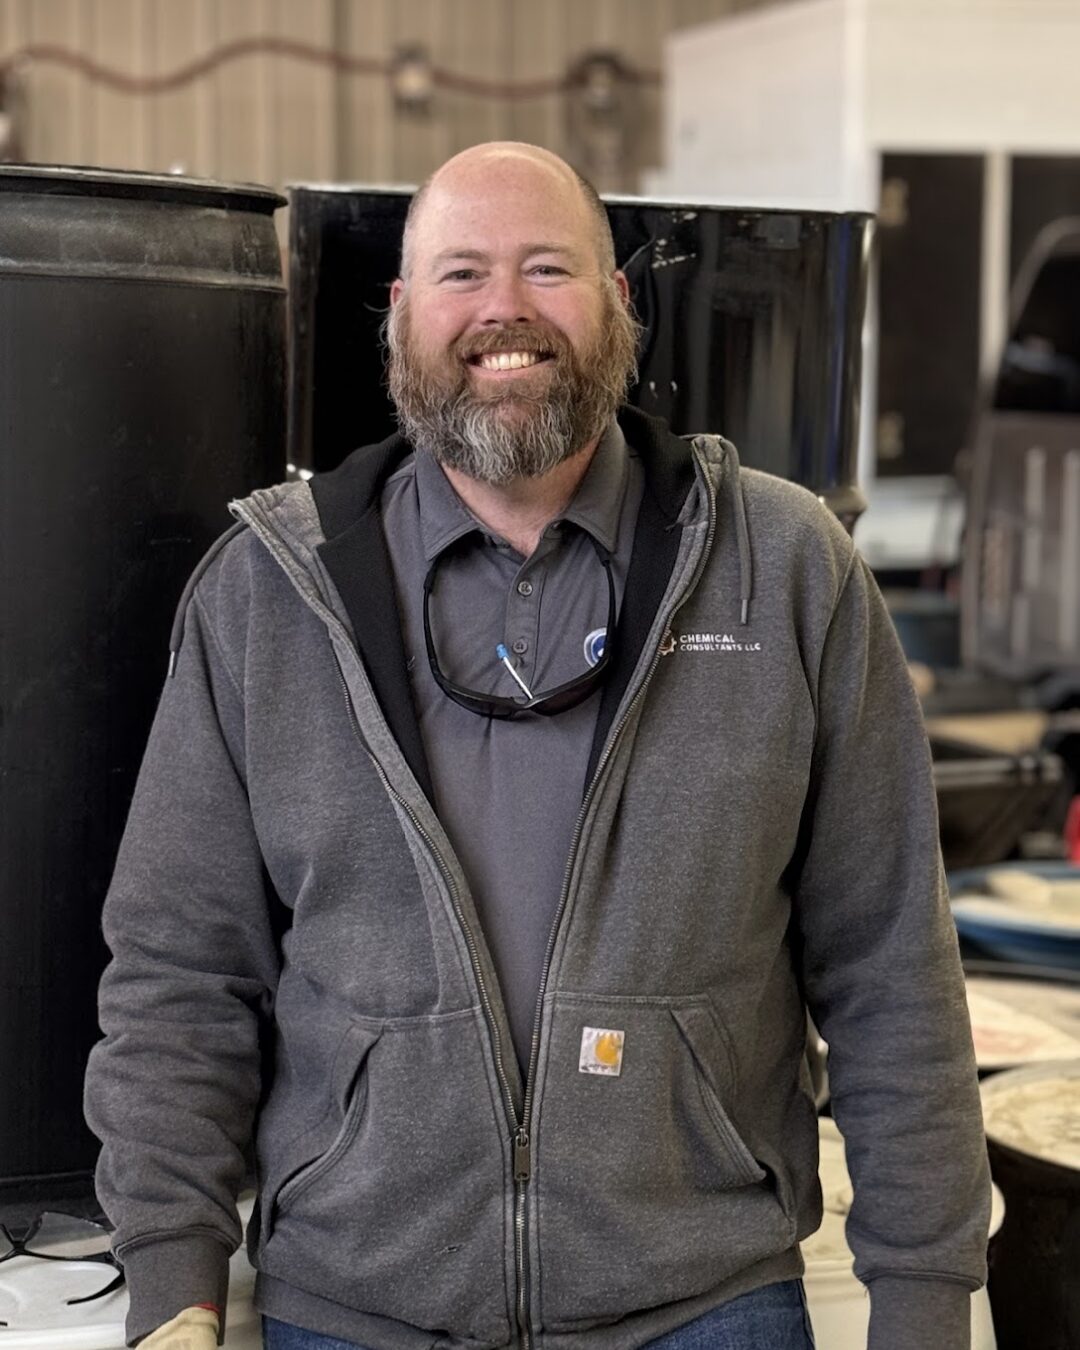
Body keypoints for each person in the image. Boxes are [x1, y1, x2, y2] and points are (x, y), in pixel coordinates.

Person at [85, 142, 990, 1350]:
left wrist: (925, 1299)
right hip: (357, 1305)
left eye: (548, 268)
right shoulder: (266, 594)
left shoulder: (785, 571)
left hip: (706, 1300)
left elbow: (892, 968)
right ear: (400, 314)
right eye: (461, 273)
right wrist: (173, 1293)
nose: (503, 309)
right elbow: (181, 977)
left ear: (618, 303)